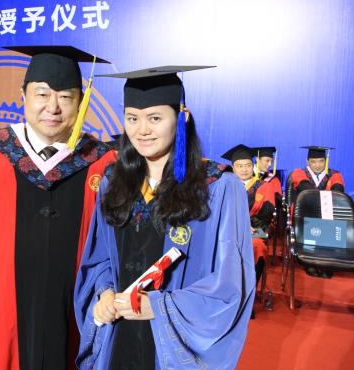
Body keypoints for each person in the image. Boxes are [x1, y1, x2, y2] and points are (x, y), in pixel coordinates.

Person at [0, 46, 116, 369]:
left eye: (65, 97)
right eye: (42, 94)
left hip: (74, 305)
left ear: (80, 103)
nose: (53, 107)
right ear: (23, 96)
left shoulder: (101, 161)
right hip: (2, 303)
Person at [74, 67, 255, 370]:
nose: (142, 130)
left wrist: (159, 307)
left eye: (155, 118)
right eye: (132, 118)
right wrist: (103, 293)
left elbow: (230, 284)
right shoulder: (113, 182)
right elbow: (100, 258)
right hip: (118, 336)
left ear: (182, 118)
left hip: (171, 344)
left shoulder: (218, 187)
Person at [222, 144, 275, 290]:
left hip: (253, 231)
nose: (244, 169)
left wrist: (245, 226)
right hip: (227, 230)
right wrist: (237, 224)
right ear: (233, 168)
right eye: (239, 166)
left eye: (248, 165)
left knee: (257, 246)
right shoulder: (225, 185)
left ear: (253, 166)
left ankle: (248, 290)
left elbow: (266, 214)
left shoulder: (264, 186)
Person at [288, 146, 345, 278]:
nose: (317, 165)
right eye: (313, 162)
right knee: (311, 224)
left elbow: (338, 190)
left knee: (333, 222)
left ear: (326, 161)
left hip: (327, 214)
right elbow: (306, 189)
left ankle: (327, 263)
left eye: (321, 161)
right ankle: (310, 262)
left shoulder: (334, 174)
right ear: (307, 161)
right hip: (305, 213)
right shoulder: (299, 172)